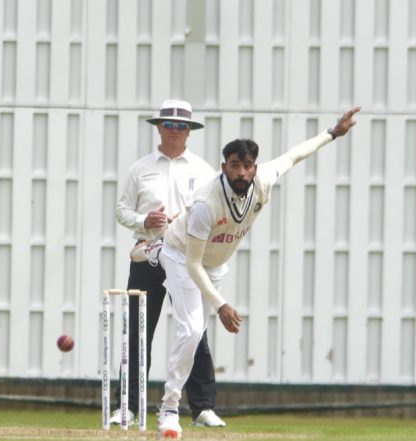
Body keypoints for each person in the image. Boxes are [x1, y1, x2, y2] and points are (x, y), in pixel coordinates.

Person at [144, 107, 361, 438]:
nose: (242, 173)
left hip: (214, 265)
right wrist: (221, 305)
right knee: (188, 331)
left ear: (254, 168)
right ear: (224, 168)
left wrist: (332, 133)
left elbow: (293, 156)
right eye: (235, 166)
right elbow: (192, 264)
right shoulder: (207, 203)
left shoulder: (263, 181)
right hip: (181, 256)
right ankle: (169, 410)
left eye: (247, 166)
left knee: (194, 333)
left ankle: (177, 405)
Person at [112, 100, 225, 428]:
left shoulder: (203, 171)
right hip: (147, 253)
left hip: (185, 257)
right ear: (159, 127)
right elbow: (121, 211)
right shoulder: (141, 167)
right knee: (137, 330)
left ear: (189, 131)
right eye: (169, 125)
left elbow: (215, 214)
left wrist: (188, 224)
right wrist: (145, 219)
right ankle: (129, 407)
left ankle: (202, 407)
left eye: (182, 126)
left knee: (194, 329)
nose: (175, 131)